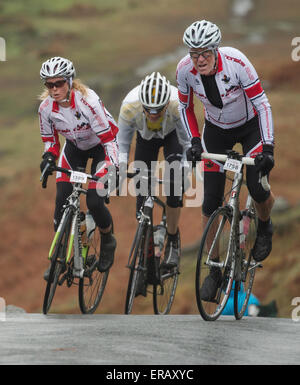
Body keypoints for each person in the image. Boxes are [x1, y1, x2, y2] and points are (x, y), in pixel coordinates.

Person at [176, 20, 275, 301]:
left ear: (216, 50)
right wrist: (194, 141)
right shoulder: (185, 70)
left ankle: (266, 226)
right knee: (209, 202)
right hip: (216, 131)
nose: (200, 60)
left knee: (257, 188)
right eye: (194, 54)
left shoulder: (237, 63)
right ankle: (214, 270)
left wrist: (268, 146)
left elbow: (262, 104)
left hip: (250, 127)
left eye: (205, 53)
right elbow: (185, 107)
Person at [38, 56, 119, 279]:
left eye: (59, 83)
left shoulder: (88, 102)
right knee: (61, 200)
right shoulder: (46, 108)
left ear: (70, 81)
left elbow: (109, 140)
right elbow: (51, 141)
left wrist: (112, 169)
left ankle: (107, 238)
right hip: (74, 147)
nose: (54, 89)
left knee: (94, 200)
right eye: (49, 84)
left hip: (102, 146)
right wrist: (48, 158)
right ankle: (60, 258)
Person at [117, 72, 190, 269]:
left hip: (173, 136)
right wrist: (119, 170)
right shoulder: (129, 106)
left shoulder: (177, 104)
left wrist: (184, 170)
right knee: (141, 200)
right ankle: (146, 246)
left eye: (159, 109)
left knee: (174, 189)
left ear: (167, 103)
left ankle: (173, 239)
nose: (154, 113)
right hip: (145, 140)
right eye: (149, 109)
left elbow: (188, 143)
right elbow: (122, 144)